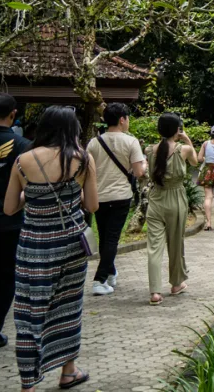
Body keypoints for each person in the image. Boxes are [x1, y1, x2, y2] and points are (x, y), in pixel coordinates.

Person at [3, 105, 97, 391]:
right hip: (71, 245)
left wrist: (29, 193)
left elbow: (9, 209)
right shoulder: (82, 159)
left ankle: (28, 383)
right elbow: (92, 205)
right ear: (73, 129)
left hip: (33, 247)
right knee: (68, 307)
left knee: (29, 311)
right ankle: (68, 372)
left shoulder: (22, 160)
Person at [86, 103, 146, 296]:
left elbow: (87, 170)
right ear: (122, 119)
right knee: (111, 239)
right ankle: (99, 280)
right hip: (120, 196)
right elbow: (139, 172)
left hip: (98, 196)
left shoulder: (94, 143)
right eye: (127, 118)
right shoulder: (131, 142)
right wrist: (143, 163)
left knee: (104, 237)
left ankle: (110, 273)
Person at [0, 92, 32, 353]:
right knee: (5, 280)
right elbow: (31, 186)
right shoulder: (23, 146)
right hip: (7, 224)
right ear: (13, 114)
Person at [145, 113, 198, 305]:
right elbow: (195, 162)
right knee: (176, 243)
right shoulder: (183, 150)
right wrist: (186, 138)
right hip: (176, 198)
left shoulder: (149, 150)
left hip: (156, 199)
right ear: (177, 129)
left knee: (154, 248)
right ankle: (176, 284)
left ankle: (154, 293)